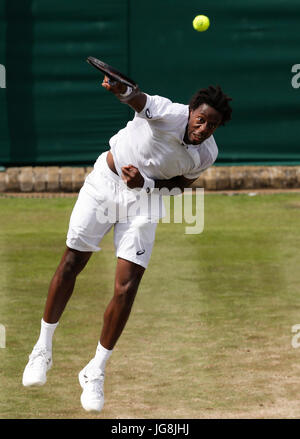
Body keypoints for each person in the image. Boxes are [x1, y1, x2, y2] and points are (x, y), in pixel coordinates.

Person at [22, 75, 232, 413]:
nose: (204, 128)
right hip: (105, 183)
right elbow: (138, 99)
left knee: (127, 287)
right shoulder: (166, 112)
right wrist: (122, 90)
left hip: (145, 200)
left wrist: (146, 182)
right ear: (191, 111)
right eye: (201, 119)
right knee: (73, 262)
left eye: (212, 125)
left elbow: (179, 185)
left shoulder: (207, 154)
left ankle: (95, 371)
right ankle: (42, 349)